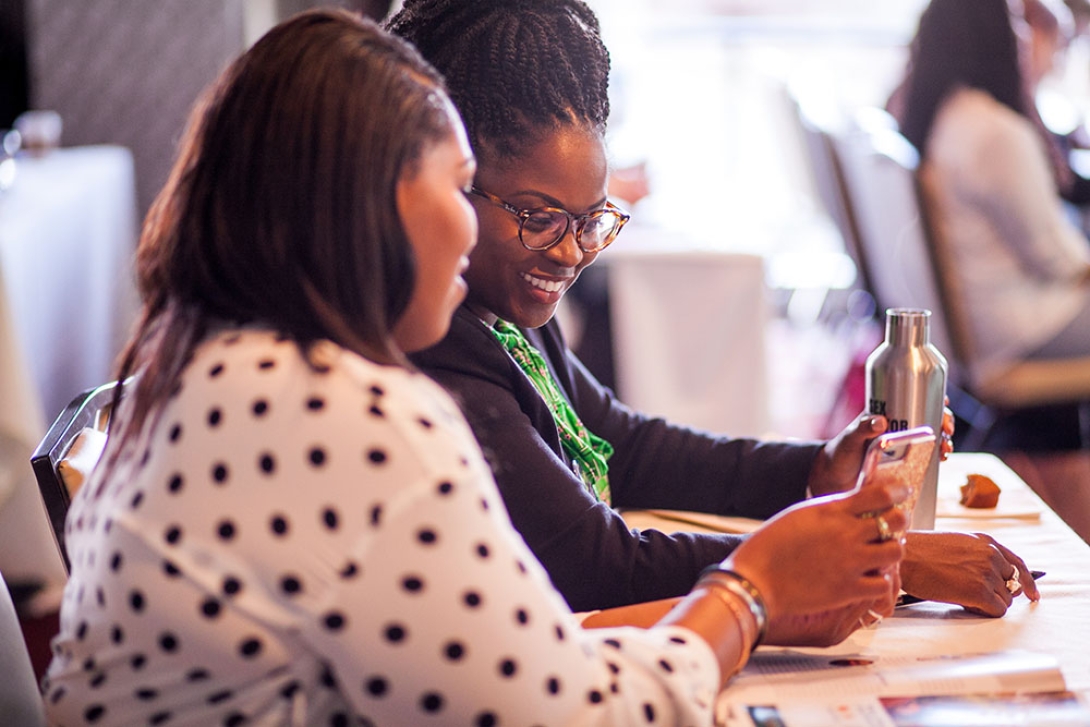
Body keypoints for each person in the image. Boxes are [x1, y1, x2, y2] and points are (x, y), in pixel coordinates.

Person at [42, 9, 911, 725]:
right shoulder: (354, 417)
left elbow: (505, 655)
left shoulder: (220, 367)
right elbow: (575, 713)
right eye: (454, 183)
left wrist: (792, 506)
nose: (462, 226)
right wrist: (752, 588)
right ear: (369, 205)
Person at [391, 0, 1039, 618]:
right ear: (444, 178)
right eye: (539, 217)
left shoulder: (499, 307)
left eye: (592, 219)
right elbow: (597, 563)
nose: (570, 251)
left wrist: (815, 467)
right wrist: (884, 559)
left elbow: (623, 443)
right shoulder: (439, 343)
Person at [897, 0, 1090, 377]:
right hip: (1025, 328)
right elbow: (1057, 260)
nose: (1023, 36)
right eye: (1016, 21)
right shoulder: (996, 132)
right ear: (991, 34)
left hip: (985, 322)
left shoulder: (947, 116)